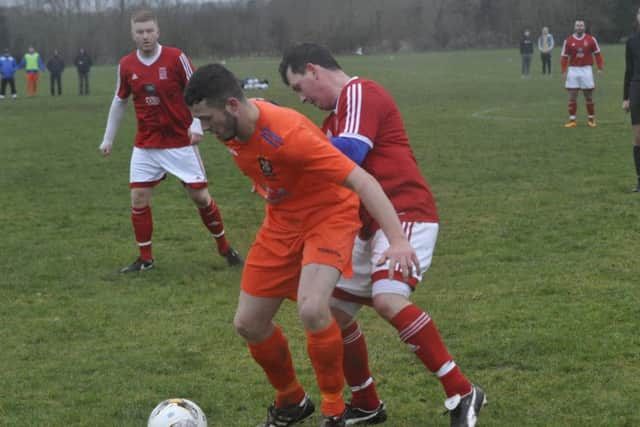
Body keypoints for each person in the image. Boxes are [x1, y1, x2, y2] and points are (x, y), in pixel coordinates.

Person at [184, 63, 420, 427]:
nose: (203, 128)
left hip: (329, 215)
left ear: (231, 105)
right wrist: (268, 183)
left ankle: (334, 410)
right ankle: (292, 401)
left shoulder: (290, 133)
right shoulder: (233, 125)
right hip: (281, 221)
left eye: (206, 118)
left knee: (312, 308)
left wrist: (399, 240)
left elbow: (362, 181)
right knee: (248, 323)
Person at [278, 43, 486, 427]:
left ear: (313, 69)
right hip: (366, 225)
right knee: (330, 313)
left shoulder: (359, 92)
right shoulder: (330, 123)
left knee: (388, 300)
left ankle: (462, 391)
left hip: (405, 213)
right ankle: (367, 403)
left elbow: (351, 152)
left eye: (298, 87)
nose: (303, 98)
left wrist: (290, 151)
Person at [99, 9, 243, 272]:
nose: (145, 36)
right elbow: (119, 101)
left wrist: (197, 124)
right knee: (138, 198)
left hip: (180, 141)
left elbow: (199, 92)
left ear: (158, 31)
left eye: (149, 31)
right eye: (140, 32)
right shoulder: (126, 65)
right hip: (146, 144)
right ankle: (146, 259)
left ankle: (224, 247)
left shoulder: (176, 58)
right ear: (133, 35)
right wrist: (108, 139)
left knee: (200, 198)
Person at [561, 20, 603, 128]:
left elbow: (597, 54)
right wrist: (563, 70)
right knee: (572, 96)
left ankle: (591, 119)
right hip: (573, 70)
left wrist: (599, 68)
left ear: (584, 27)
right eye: (577, 25)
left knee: (588, 96)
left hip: (586, 70)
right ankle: (572, 120)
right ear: (574, 27)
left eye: (581, 25)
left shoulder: (591, 39)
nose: (579, 27)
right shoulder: (568, 40)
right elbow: (564, 56)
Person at [623, 7, 640, 193]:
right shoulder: (632, 42)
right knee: (638, 138)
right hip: (637, 89)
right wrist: (626, 97)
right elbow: (628, 70)